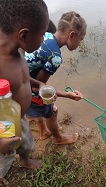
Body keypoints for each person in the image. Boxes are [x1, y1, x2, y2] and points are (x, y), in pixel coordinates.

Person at [0, 0, 49, 186]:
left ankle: (24, 160)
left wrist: (39, 84)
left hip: (17, 118)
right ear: (24, 35)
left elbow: (21, 79)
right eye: (43, 34)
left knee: (25, 144)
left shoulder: (18, 49)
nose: (44, 39)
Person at [25, 11, 87, 143]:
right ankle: (58, 138)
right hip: (25, 86)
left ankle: (35, 121)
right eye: (80, 39)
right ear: (71, 35)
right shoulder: (55, 57)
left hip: (20, 78)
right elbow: (37, 88)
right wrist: (67, 95)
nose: (79, 44)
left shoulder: (46, 35)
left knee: (36, 105)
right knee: (52, 111)